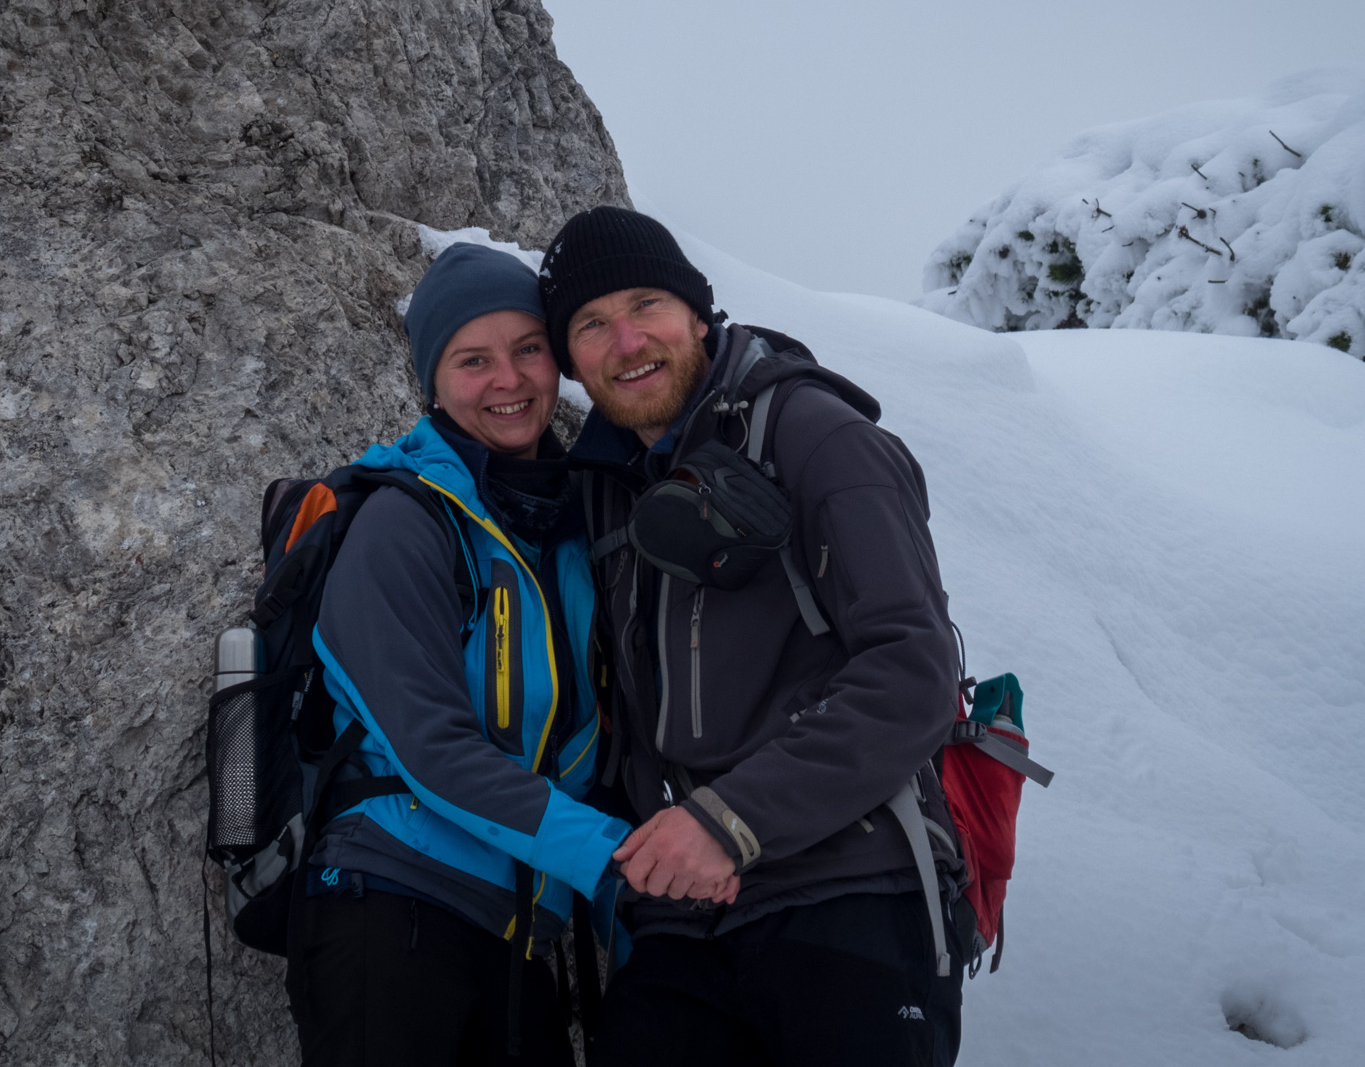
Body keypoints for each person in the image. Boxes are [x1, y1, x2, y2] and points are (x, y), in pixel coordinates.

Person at [540, 206, 968, 1067]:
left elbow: (914, 672)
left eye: (646, 304)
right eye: (591, 324)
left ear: (699, 313)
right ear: (572, 361)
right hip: (683, 925)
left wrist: (730, 819)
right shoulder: (607, 489)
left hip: (850, 890)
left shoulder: (815, 435)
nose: (626, 341)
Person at [286, 242, 629, 1067]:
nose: (508, 382)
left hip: (518, 931)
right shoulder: (404, 524)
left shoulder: (575, 526)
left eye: (527, 350)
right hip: (391, 907)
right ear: (432, 383)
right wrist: (614, 863)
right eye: (473, 361)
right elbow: (429, 745)